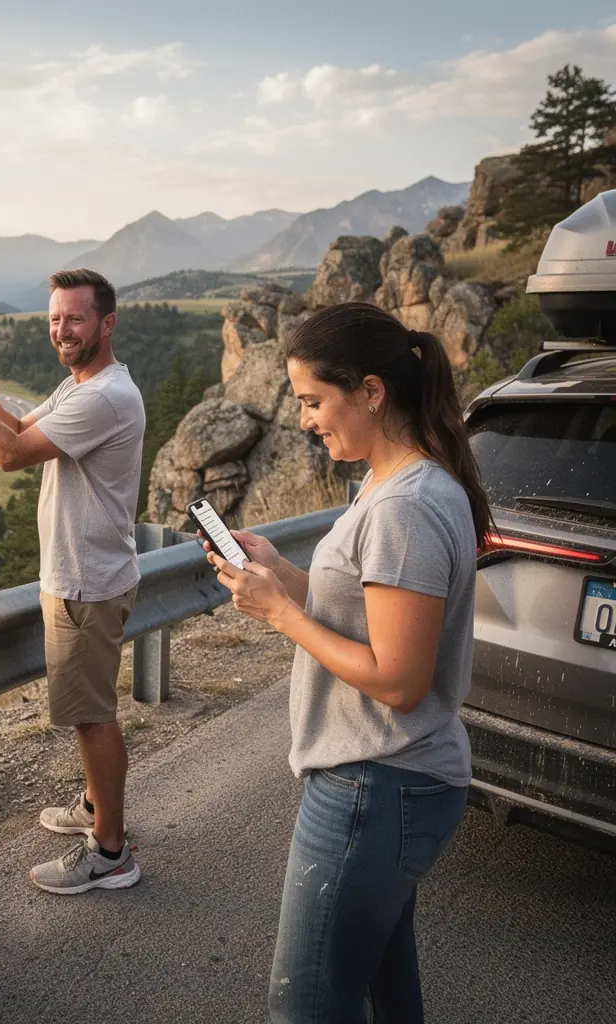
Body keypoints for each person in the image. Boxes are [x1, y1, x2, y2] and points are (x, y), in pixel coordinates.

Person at [203, 302, 488, 1024]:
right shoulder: (391, 484)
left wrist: (282, 614)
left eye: (313, 401)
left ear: (370, 391)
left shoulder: (405, 507)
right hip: (387, 778)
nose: (303, 419)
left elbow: (399, 679)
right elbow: (368, 611)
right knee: (388, 994)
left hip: (377, 781)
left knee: (307, 1006)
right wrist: (286, 578)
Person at [0, 268, 144, 895]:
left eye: (74, 319)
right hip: (84, 574)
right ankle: (93, 807)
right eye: (55, 319)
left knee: (92, 716)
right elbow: (20, 430)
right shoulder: (81, 385)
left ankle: (110, 851)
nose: (62, 330)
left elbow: (6, 455)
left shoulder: (103, 395)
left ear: (106, 323)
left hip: (87, 582)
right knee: (89, 711)